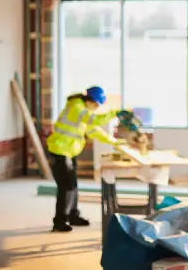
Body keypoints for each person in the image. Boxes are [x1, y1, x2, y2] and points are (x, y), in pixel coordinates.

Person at [46, 85, 129, 232]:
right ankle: (59, 221)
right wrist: (114, 113)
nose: (96, 108)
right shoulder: (76, 108)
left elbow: (95, 131)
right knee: (66, 187)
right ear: (89, 100)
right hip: (60, 151)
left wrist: (115, 142)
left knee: (73, 185)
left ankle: (73, 215)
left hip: (69, 152)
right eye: (96, 105)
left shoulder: (84, 113)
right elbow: (94, 120)